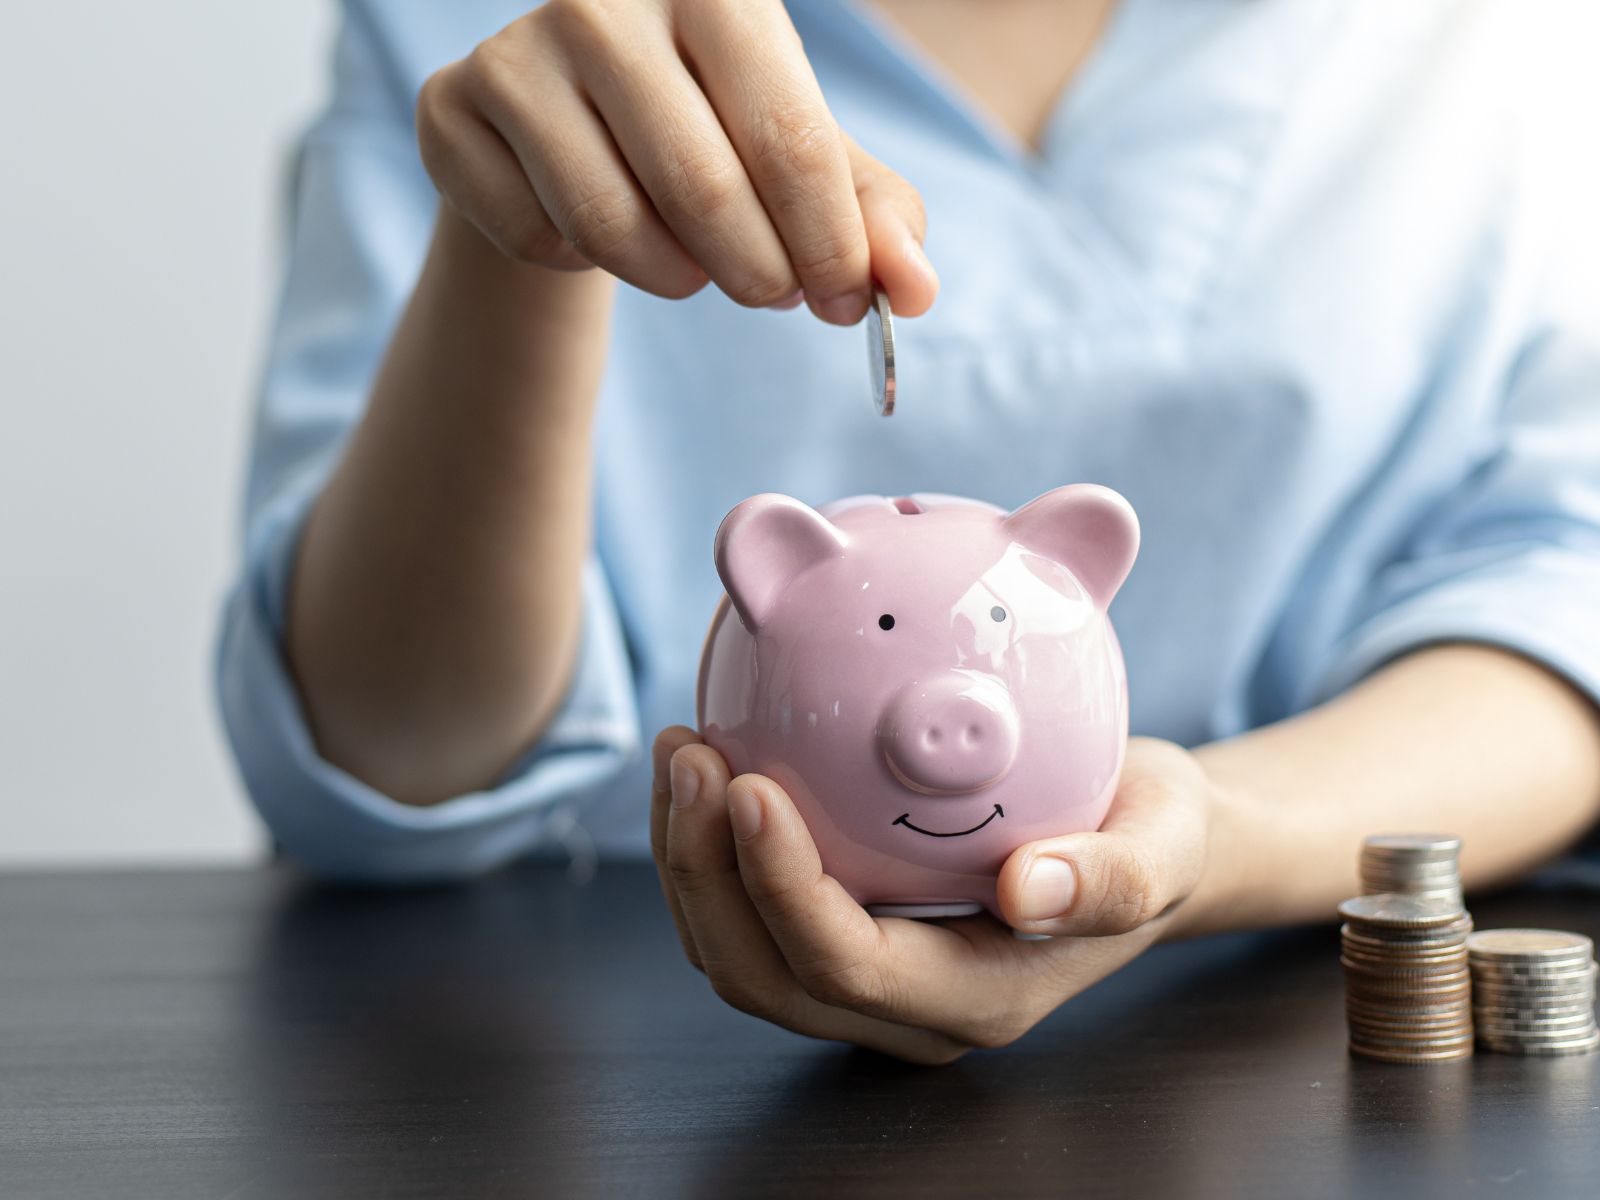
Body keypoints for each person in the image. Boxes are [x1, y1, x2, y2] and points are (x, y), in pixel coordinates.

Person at [217, 0, 1600, 1063]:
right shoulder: (491, 28)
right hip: (567, 1046)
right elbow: (384, 752)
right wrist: (522, 239)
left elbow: (1563, 589)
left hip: (1277, 1031)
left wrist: (1210, 840)